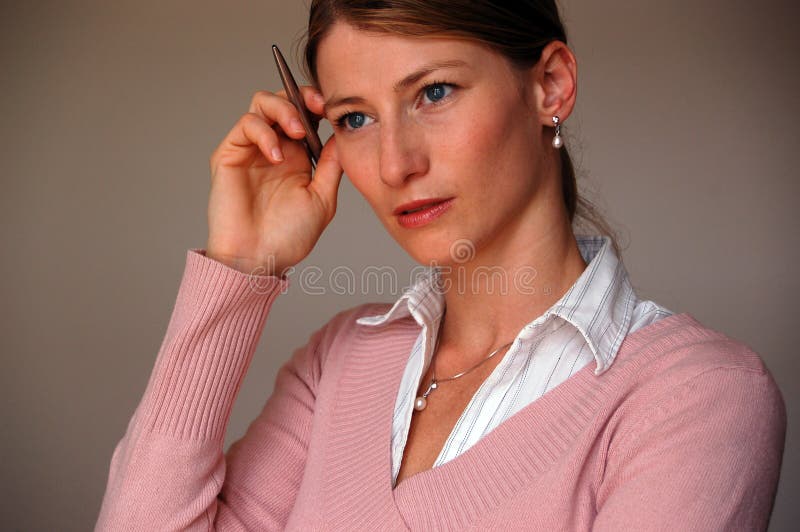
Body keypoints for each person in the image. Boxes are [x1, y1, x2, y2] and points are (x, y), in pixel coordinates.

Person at [96, 1, 786, 530]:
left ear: (550, 85)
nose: (398, 164)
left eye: (434, 93)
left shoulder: (696, 399)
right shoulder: (338, 363)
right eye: (356, 119)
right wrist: (241, 267)